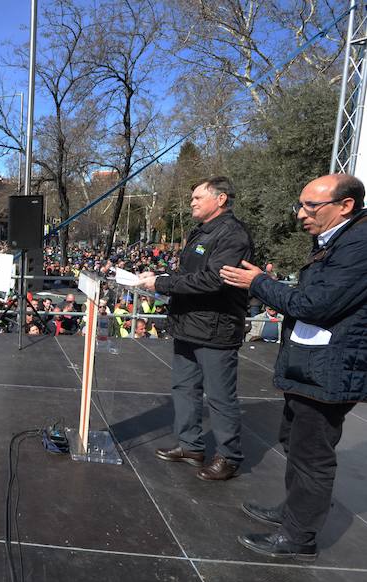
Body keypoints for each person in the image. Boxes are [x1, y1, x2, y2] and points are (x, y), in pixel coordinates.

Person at [220, 173, 367, 560]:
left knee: (312, 453)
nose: (301, 214)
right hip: (312, 364)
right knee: (293, 438)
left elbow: (315, 305)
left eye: (310, 206)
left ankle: (299, 536)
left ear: (345, 205)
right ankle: (295, 509)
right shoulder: (336, 240)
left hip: (331, 367)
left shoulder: (358, 246)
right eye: (300, 205)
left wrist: (259, 283)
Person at [139, 176, 254, 481]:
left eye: (197, 197)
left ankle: (229, 456)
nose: (191, 202)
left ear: (220, 199)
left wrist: (162, 283)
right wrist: (162, 275)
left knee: (219, 396)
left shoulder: (232, 235)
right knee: (185, 387)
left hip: (216, 328)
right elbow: (189, 273)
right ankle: (191, 445)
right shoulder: (200, 232)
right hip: (188, 324)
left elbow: (215, 280)